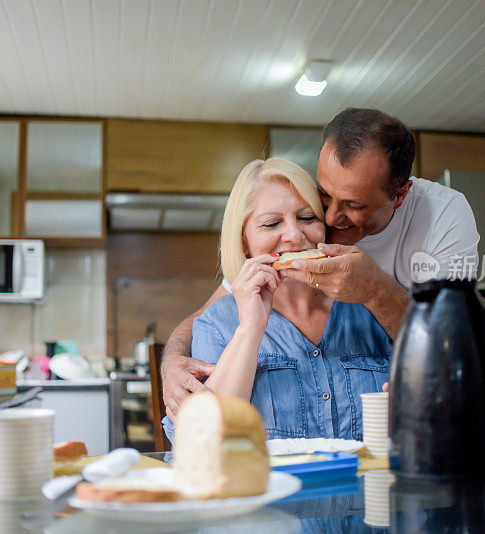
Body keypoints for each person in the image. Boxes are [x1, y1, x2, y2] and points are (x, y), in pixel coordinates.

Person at [162, 108, 479, 421]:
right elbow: (212, 316)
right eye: (323, 197)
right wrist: (172, 358)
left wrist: (375, 292)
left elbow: (451, 349)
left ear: (399, 196)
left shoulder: (442, 218)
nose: (328, 219)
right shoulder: (236, 306)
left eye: (307, 216)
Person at [162, 158, 392, 443]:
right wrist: (251, 327)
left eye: (308, 218)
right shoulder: (216, 323)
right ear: (244, 242)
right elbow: (205, 440)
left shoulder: (371, 305)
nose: (295, 236)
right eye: (272, 223)